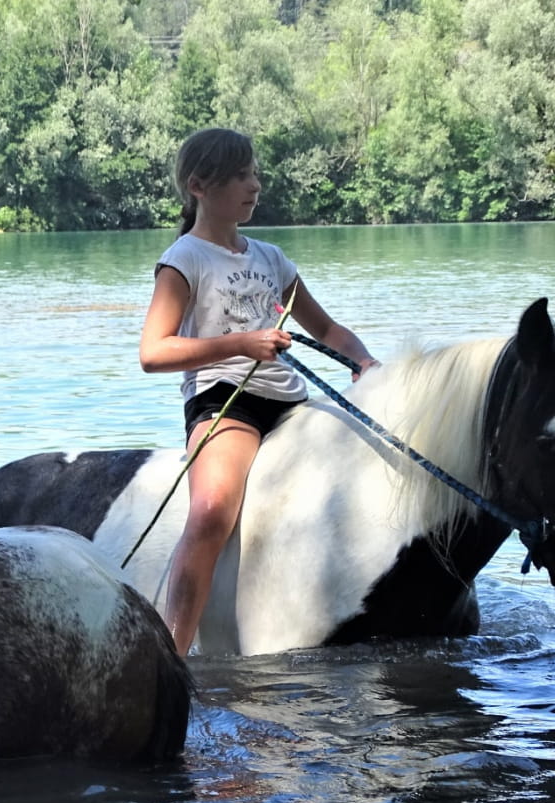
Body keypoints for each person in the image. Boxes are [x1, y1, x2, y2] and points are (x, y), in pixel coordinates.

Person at [138, 128, 378, 657]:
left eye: (255, 173)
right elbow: (153, 353)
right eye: (242, 175)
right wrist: (241, 343)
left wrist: (365, 362)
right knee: (211, 511)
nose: (255, 184)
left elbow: (328, 330)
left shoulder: (271, 257)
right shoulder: (184, 259)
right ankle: (172, 659)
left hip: (292, 404)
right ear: (200, 185)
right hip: (226, 402)